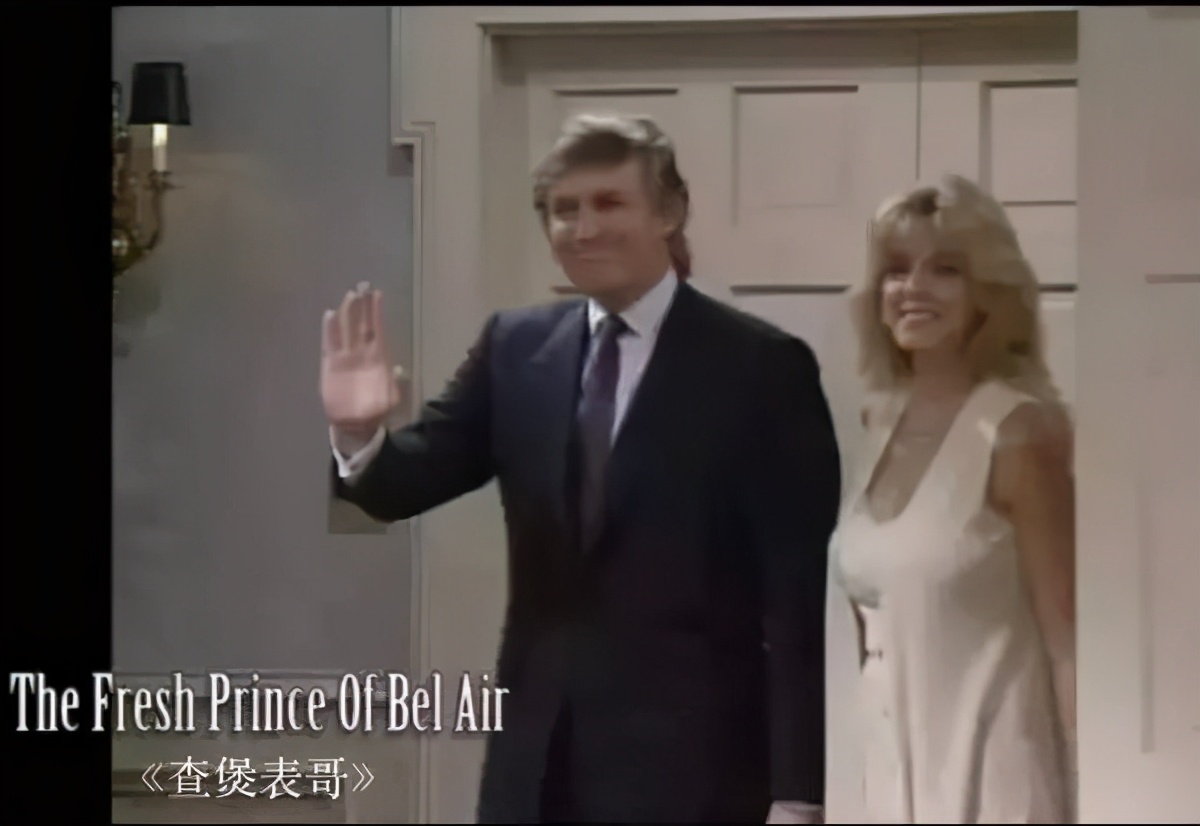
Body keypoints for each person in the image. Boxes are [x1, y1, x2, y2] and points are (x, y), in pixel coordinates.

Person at [320, 113, 841, 823]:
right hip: (536, 766)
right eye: (565, 210)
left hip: (698, 772)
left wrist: (799, 793)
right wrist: (358, 435)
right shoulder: (515, 347)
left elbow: (796, 597)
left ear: (669, 213)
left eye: (609, 203)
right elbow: (405, 482)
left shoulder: (760, 367)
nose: (584, 228)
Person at [832, 174, 1076, 823]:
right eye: (896, 270)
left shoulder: (1019, 431)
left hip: (992, 782)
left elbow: (1068, 643)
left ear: (987, 293)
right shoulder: (877, 423)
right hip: (884, 780)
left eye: (944, 270)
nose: (912, 288)